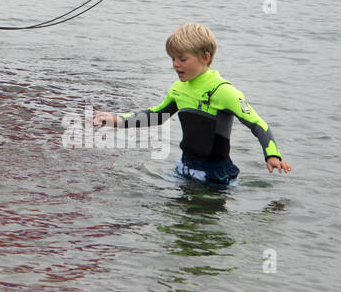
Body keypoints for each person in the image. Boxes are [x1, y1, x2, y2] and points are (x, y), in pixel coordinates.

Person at [92, 23, 291, 186]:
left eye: (182, 59)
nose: (175, 64)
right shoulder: (179, 88)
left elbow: (258, 124)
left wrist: (272, 155)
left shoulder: (223, 90)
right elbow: (156, 115)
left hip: (216, 177)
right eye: (172, 58)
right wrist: (115, 120)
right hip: (183, 168)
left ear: (205, 57)